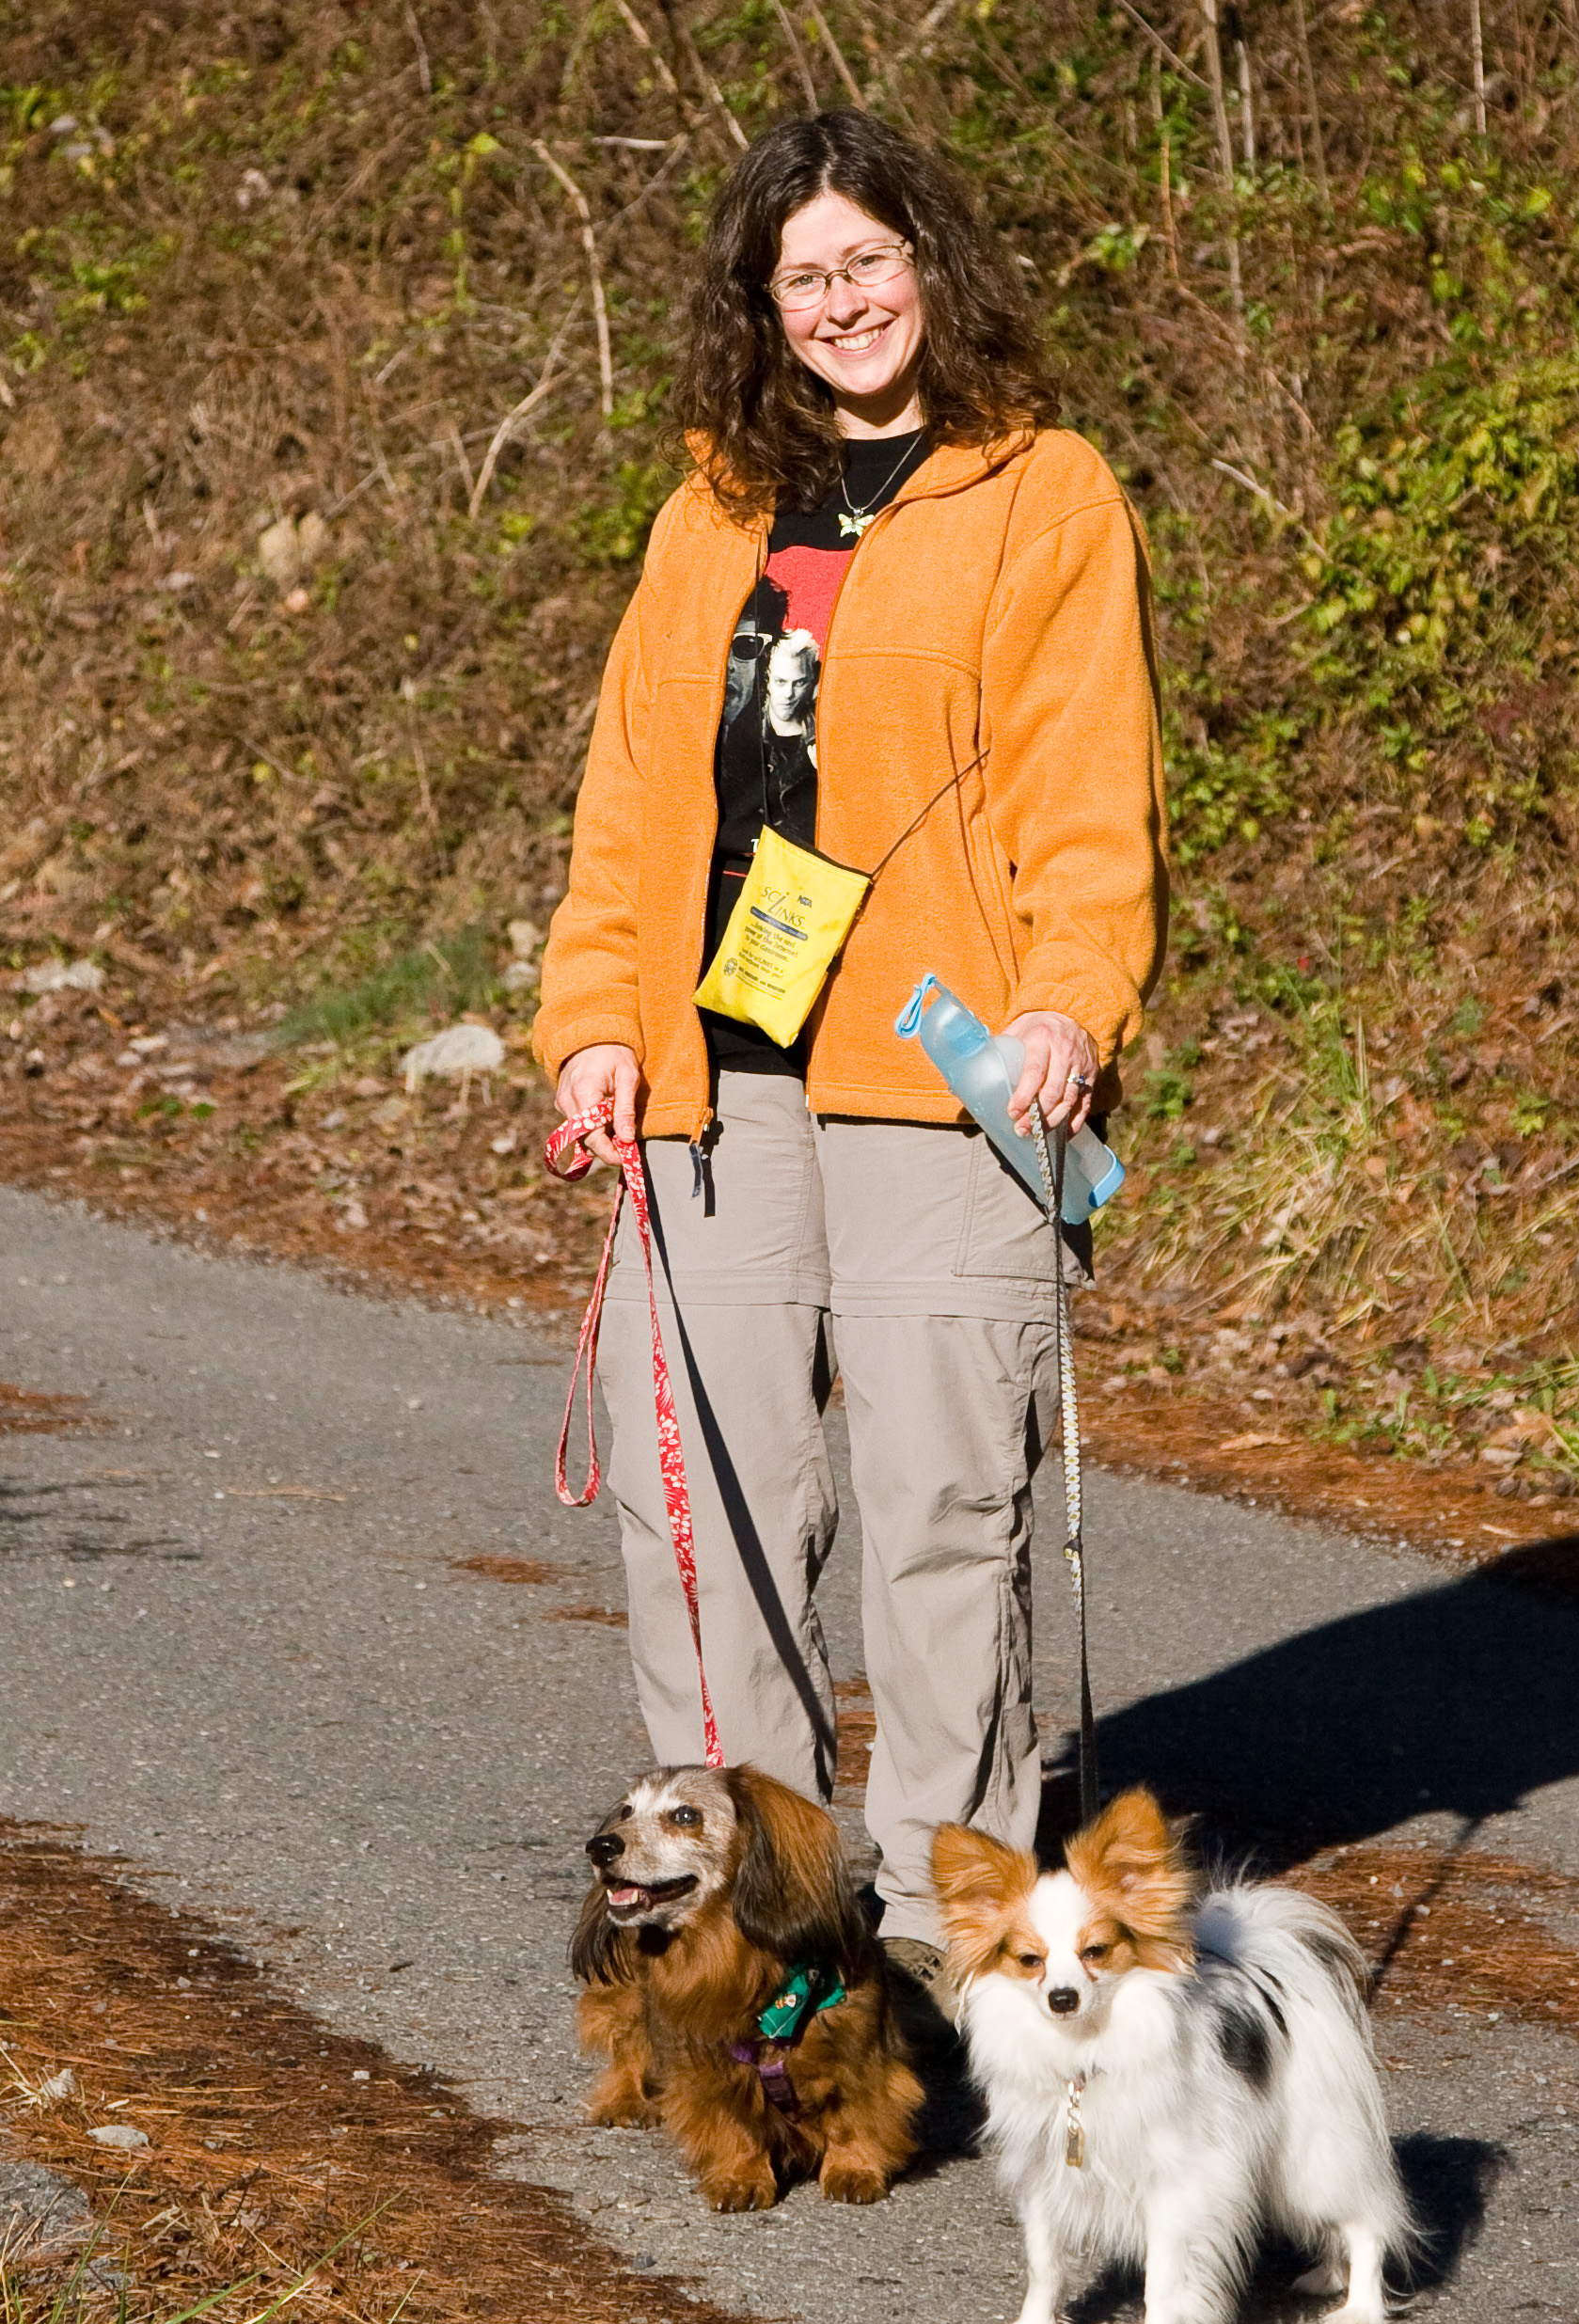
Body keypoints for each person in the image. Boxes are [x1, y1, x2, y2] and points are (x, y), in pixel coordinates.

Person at [534, 108, 1167, 2027]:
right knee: (703, 1514)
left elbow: (1087, 790)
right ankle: (753, 1916)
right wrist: (587, 1028)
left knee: (938, 1499)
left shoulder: (1041, 493)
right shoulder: (708, 509)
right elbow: (632, 799)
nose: (841, 302)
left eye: (868, 261)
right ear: (764, 306)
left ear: (930, 269)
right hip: (706, 1072)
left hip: (943, 1062)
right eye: (804, 275)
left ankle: (933, 1944)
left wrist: (1074, 997)